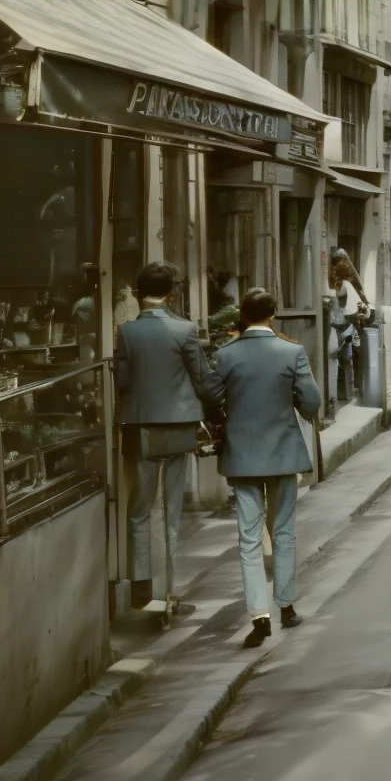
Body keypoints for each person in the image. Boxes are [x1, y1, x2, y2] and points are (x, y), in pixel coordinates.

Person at [206, 287, 322, 648]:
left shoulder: (227, 355)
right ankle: (286, 606)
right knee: (283, 531)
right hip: (283, 453)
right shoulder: (292, 351)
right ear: (273, 314)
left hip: (243, 457)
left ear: (242, 314)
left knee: (248, 537)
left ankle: (258, 616)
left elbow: (210, 396)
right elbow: (313, 403)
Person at [114, 262, 207, 614]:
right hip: (179, 425)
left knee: (139, 509)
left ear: (138, 293)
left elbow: (122, 382)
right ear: (171, 294)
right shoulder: (185, 330)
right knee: (170, 508)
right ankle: (169, 593)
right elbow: (201, 376)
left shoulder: (127, 332)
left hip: (139, 428)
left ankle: (141, 589)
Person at [327, 248, 366, 408]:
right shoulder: (346, 285)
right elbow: (357, 305)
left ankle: (336, 396)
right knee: (347, 361)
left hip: (334, 326)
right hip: (345, 326)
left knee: (338, 362)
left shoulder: (333, 282)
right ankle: (346, 395)